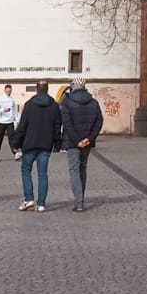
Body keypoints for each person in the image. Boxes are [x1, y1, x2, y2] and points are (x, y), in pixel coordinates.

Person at [14, 80, 62, 211]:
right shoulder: (54, 106)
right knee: (43, 174)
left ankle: (29, 199)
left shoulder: (29, 105)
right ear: (47, 89)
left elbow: (22, 126)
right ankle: (41, 204)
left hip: (29, 143)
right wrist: (58, 144)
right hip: (46, 144)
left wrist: (16, 143)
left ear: (36, 89)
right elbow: (58, 127)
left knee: (26, 170)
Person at [57, 77, 104, 212]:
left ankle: (79, 203)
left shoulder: (68, 102)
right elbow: (99, 122)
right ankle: (81, 199)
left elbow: (66, 123)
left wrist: (77, 140)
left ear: (73, 86)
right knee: (83, 168)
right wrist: (89, 138)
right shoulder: (94, 102)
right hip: (87, 143)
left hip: (72, 142)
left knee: (74, 170)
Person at [0, 83, 20, 159]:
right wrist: (3, 110)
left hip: (10, 122)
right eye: (7, 91)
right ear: (4, 90)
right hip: (2, 122)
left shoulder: (12, 99)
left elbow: (14, 110)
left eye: (10, 91)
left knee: (12, 138)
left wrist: (17, 119)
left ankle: (15, 152)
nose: (8, 92)